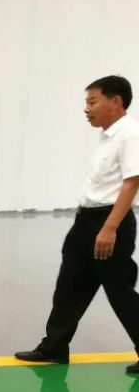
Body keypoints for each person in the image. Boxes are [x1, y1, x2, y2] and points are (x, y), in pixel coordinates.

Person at [16, 75, 139, 374]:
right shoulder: (107, 136)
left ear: (116, 101)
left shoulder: (130, 133)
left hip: (110, 222)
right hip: (86, 220)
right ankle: (54, 347)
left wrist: (109, 228)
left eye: (92, 101)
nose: (86, 108)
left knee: (120, 292)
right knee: (70, 285)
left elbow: (132, 182)